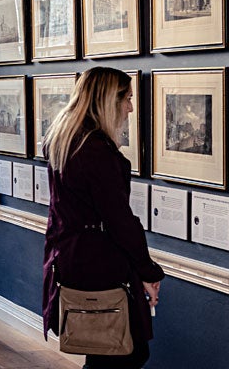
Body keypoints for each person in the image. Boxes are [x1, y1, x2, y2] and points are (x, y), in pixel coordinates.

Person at [41, 67, 164, 369]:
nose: (130, 108)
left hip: (71, 256)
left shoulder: (66, 139)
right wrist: (148, 272)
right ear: (108, 100)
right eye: (127, 99)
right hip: (100, 263)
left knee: (102, 347)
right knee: (124, 352)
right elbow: (119, 220)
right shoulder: (95, 150)